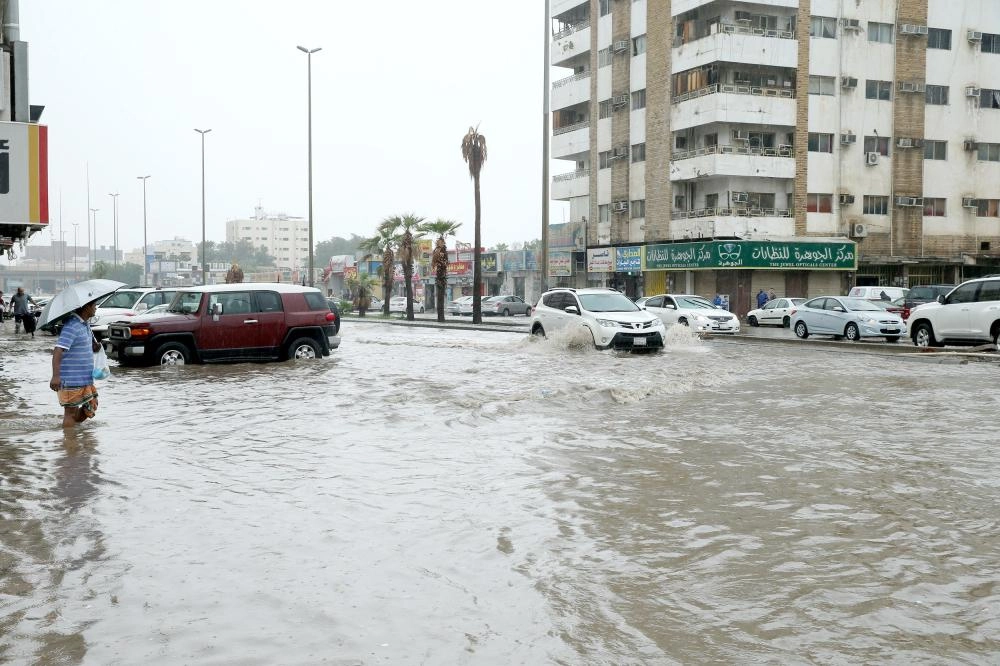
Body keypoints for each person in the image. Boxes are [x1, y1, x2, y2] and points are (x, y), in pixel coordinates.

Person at [49, 299, 101, 428]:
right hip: (70, 379)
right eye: (94, 305)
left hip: (85, 378)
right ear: (86, 307)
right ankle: (69, 443)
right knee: (70, 412)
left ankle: (73, 435)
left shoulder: (85, 324)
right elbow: (58, 349)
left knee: (91, 405)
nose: (96, 308)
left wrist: (94, 347)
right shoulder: (72, 325)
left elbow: (81, 347)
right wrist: (55, 376)